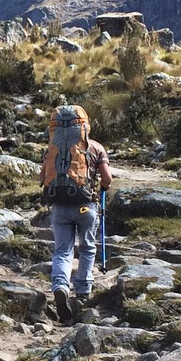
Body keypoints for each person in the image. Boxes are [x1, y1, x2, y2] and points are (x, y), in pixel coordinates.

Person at [39, 104, 112, 325]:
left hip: (59, 207)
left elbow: (41, 179)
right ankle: (83, 292)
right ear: (84, 125)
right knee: (87, 247)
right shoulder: (96, 148)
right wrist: (102, 187)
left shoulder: (53, 148)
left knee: (63, 250)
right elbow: (107, 179)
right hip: (85, 206)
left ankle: (60, 286)